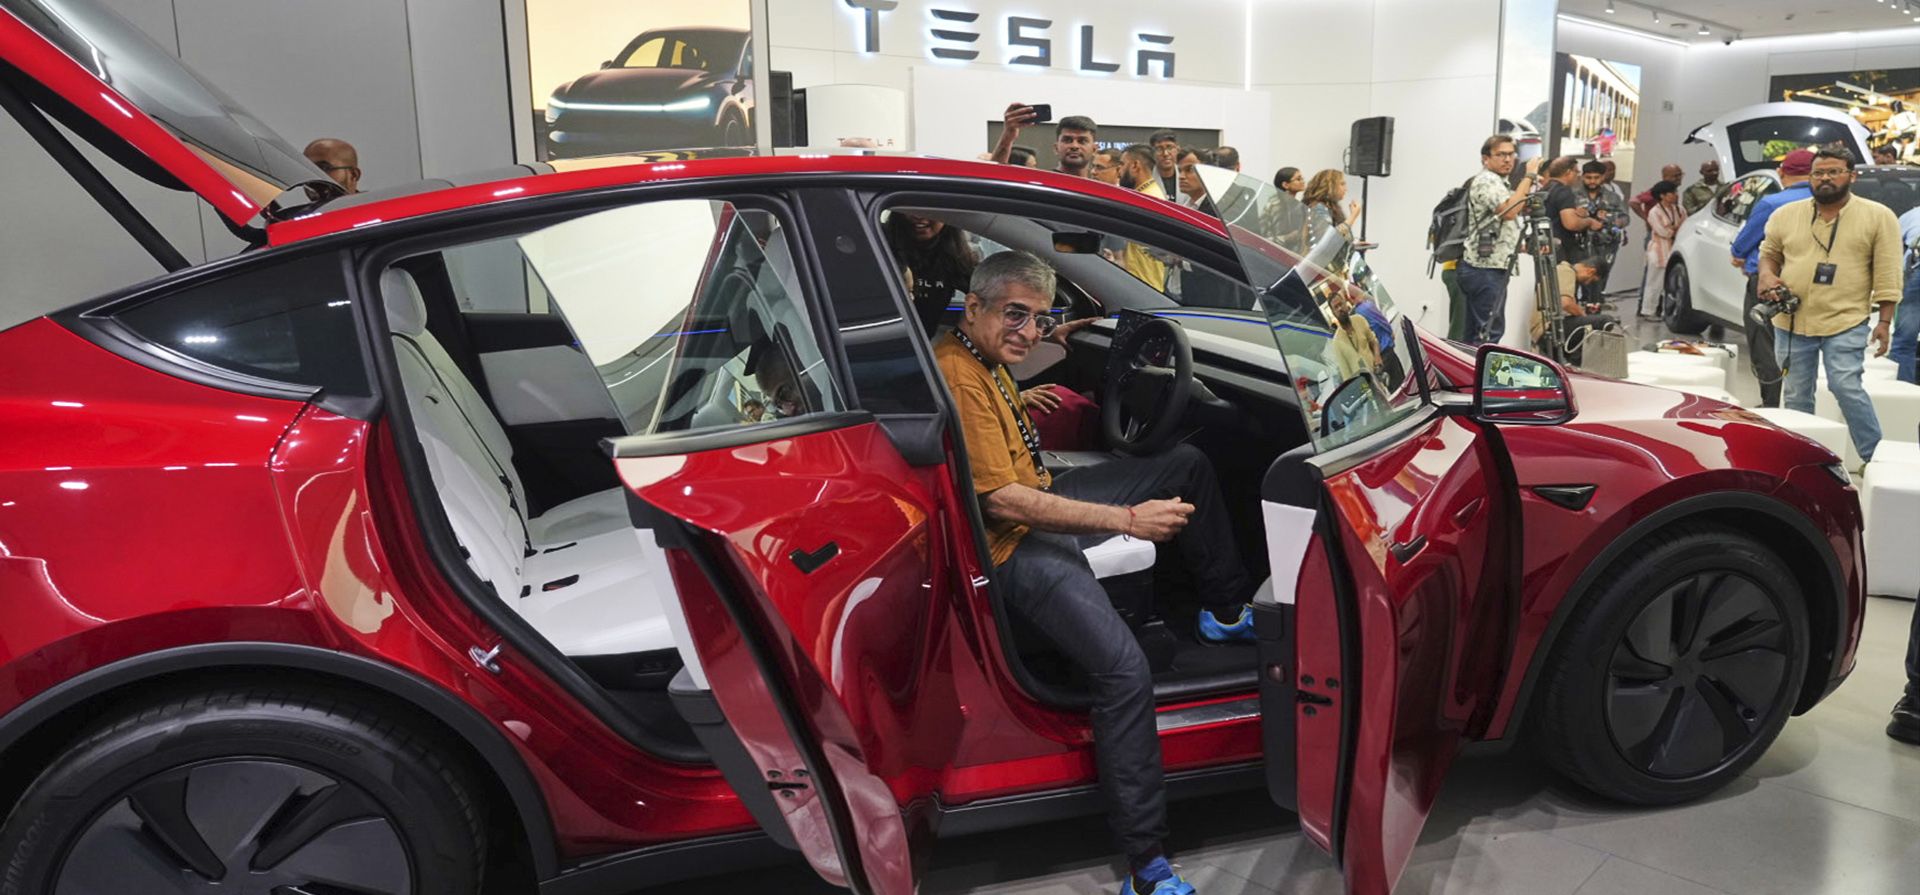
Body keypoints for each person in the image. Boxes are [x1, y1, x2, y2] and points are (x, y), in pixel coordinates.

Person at [935, 251, 1254, 895]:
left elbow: (992, 456)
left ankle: (1222, 614)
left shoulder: (977, 356)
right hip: (1014, 543)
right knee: (1124, 671)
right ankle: (1146, 863)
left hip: (1038, 488)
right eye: (1014, 314)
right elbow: (1002, 501)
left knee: (1187, 462)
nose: (1028, 332)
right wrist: (1128, 519)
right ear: (974, 307)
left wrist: (1020, 398)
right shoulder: (960, 373)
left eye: (1040, 319)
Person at [1758, 147, 1902, 466]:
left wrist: (1884, 322)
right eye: (1818, 173)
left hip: (1846, 318)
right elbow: (1769, 253)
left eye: (1834, 171)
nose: (1825, 178)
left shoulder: (1878, 216)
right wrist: (1766, 276)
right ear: (1809, 177)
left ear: (1852, 176)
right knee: (1796, 395)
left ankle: (1875, 458)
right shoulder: (1786, 214)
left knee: (1845, 385)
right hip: (1792, 320)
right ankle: (1801, 461)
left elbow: (1888, 271)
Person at [1730, 149, 1814, 408]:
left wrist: (1740, 254)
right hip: (1814, 284)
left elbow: (1741, 246)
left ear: (1782, 172)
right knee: (1806, 345)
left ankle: (1772, 405)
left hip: (1770, 283)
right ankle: (1801, 405)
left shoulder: (1772, 203)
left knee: (1765, 342)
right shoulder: (1832, 203)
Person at [1459, 135, 1542, 344]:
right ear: (1485, 159)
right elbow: (1509, 210)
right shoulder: (1487, 180)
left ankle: (1470, 374)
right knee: (1488, 334)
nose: (1507, 159)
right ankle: (1480, 375)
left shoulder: (1499, 183)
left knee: (1478, 334)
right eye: (1501, 154)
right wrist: (1529, 176)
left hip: (1488, 268)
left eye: (1511, 154)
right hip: (1484, 269)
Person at [887, 211, 979, 334]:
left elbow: (988, 294)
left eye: (929, 209)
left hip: (919, 345)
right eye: (911, 207)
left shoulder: (957, 258)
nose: (919, 215)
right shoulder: (878, 242)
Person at [992, 107, 1098, 177]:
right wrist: (1007, 137)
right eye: (1067, 140)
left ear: (1094, 149)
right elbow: (996, 178)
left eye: (1082, 141)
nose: (1074, 146)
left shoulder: (1100, 191)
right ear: (1056, 148)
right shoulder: (1041, 184)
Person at [1642, 179, 1687, 314]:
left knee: (1671, 284)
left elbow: (1685, 227)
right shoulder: (1654, 212)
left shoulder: (1680, 209)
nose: (1675, 195)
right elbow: (1663, 232)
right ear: (1662, 195)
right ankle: (1648, 311)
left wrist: (1674, 229)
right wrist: (1674, 229)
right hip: (1658, 251)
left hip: (1674, 250)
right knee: (1654, 283)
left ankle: (1666, 312)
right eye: (1672, 193)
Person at [1541, 156, 1593, 264]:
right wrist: (1589, 222)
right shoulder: (1564, 191)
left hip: (1543, 246)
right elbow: (1571, 223)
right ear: (1568, 172)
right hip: (1561, 250)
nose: (1578, 176)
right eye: (1576, 172)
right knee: (1563, 279)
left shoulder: (1544, 190)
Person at [1894, 202, 1920, 383]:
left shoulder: (1912, 215)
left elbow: (1891, 247)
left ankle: (1901, 397)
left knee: (1904, 342)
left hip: (1916, 272)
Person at [1300, 169, 1361, 247]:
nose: (1346, 189)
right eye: (1342, 184)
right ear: (1329, 186)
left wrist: (1353, 244)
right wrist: (1353, 216)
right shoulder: (1318, 207)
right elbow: (1328, 238)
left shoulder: (1332, 207)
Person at [1149, 129, 1181, 199]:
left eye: (1169, 147)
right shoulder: (1147, 178)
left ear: (1177, 150)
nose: (1165, 154)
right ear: (1152, 153)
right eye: (1159, 149)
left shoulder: (1186, 177)